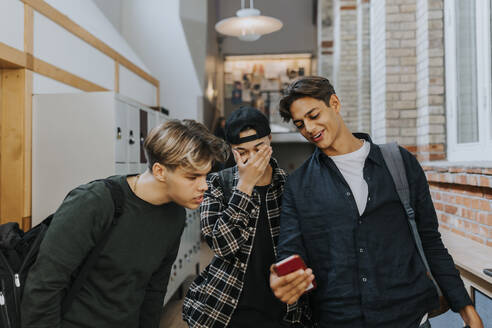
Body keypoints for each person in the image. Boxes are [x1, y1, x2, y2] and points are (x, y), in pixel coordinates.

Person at [269, 76, 484, 328]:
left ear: (335, 103)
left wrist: (466, 309)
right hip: (338, 320)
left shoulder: (399, 162)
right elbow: (290, 251)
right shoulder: (298, 184)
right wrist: (285, 277)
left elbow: (430, 242)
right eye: (300, 124)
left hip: (409, 318)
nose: (309, 128)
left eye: (314, 115)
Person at [21, 120, 229, 328]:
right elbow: (44, 284)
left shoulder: (175, 215)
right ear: (160, 171)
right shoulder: (95, 202)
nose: (204, 186)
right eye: (192, 177)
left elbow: (154, 290)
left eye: (205, 175)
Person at [183, 107, 309, 328]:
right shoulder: (217, 184)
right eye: (242, 152)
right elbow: (222, 247)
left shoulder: (290, 186)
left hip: (280, 309)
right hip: (227, 306)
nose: (251, 158)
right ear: (233, 151)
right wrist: (245, 186)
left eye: (259, 148)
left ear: (270, 140)